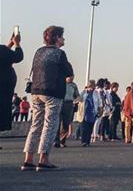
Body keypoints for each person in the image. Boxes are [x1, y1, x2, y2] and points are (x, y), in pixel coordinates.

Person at [21, 25, 74, 172]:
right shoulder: (59, 53)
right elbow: (69, 72)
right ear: (57, 38)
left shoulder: (39, 51)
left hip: (36, 91)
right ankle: (43, 160)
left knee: (35, 125)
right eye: (62, 36)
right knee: (50, 124)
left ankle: (28, 159)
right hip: (52, 92)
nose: (64, 39)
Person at [0, 30, 23, 133]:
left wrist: (10, 44)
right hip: (3, 88)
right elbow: (18, 57)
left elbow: (4, 55)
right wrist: (17, 44)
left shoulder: (2, 51)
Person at [76, 80, 101, 147]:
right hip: (84, 112)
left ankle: (88, 141)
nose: (92, 88)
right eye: (91, 86)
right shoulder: (83, 92)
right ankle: (84, 141)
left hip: (92, 112)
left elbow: (99, 102)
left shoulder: (96, 93)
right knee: (84, 128)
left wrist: (100, 110)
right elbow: (78, 99)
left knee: (90, 128)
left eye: (93, 86)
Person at [57, 76, 80, 147]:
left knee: (66, 123)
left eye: (72, 77)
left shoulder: (73, 85)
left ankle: (62, 140)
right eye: (70, 77)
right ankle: (56, 140)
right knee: (57, 122)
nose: (71, 78)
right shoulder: (60, 83)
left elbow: (77, 95)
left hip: (69, 103)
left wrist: (76, 101)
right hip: (60, 102)